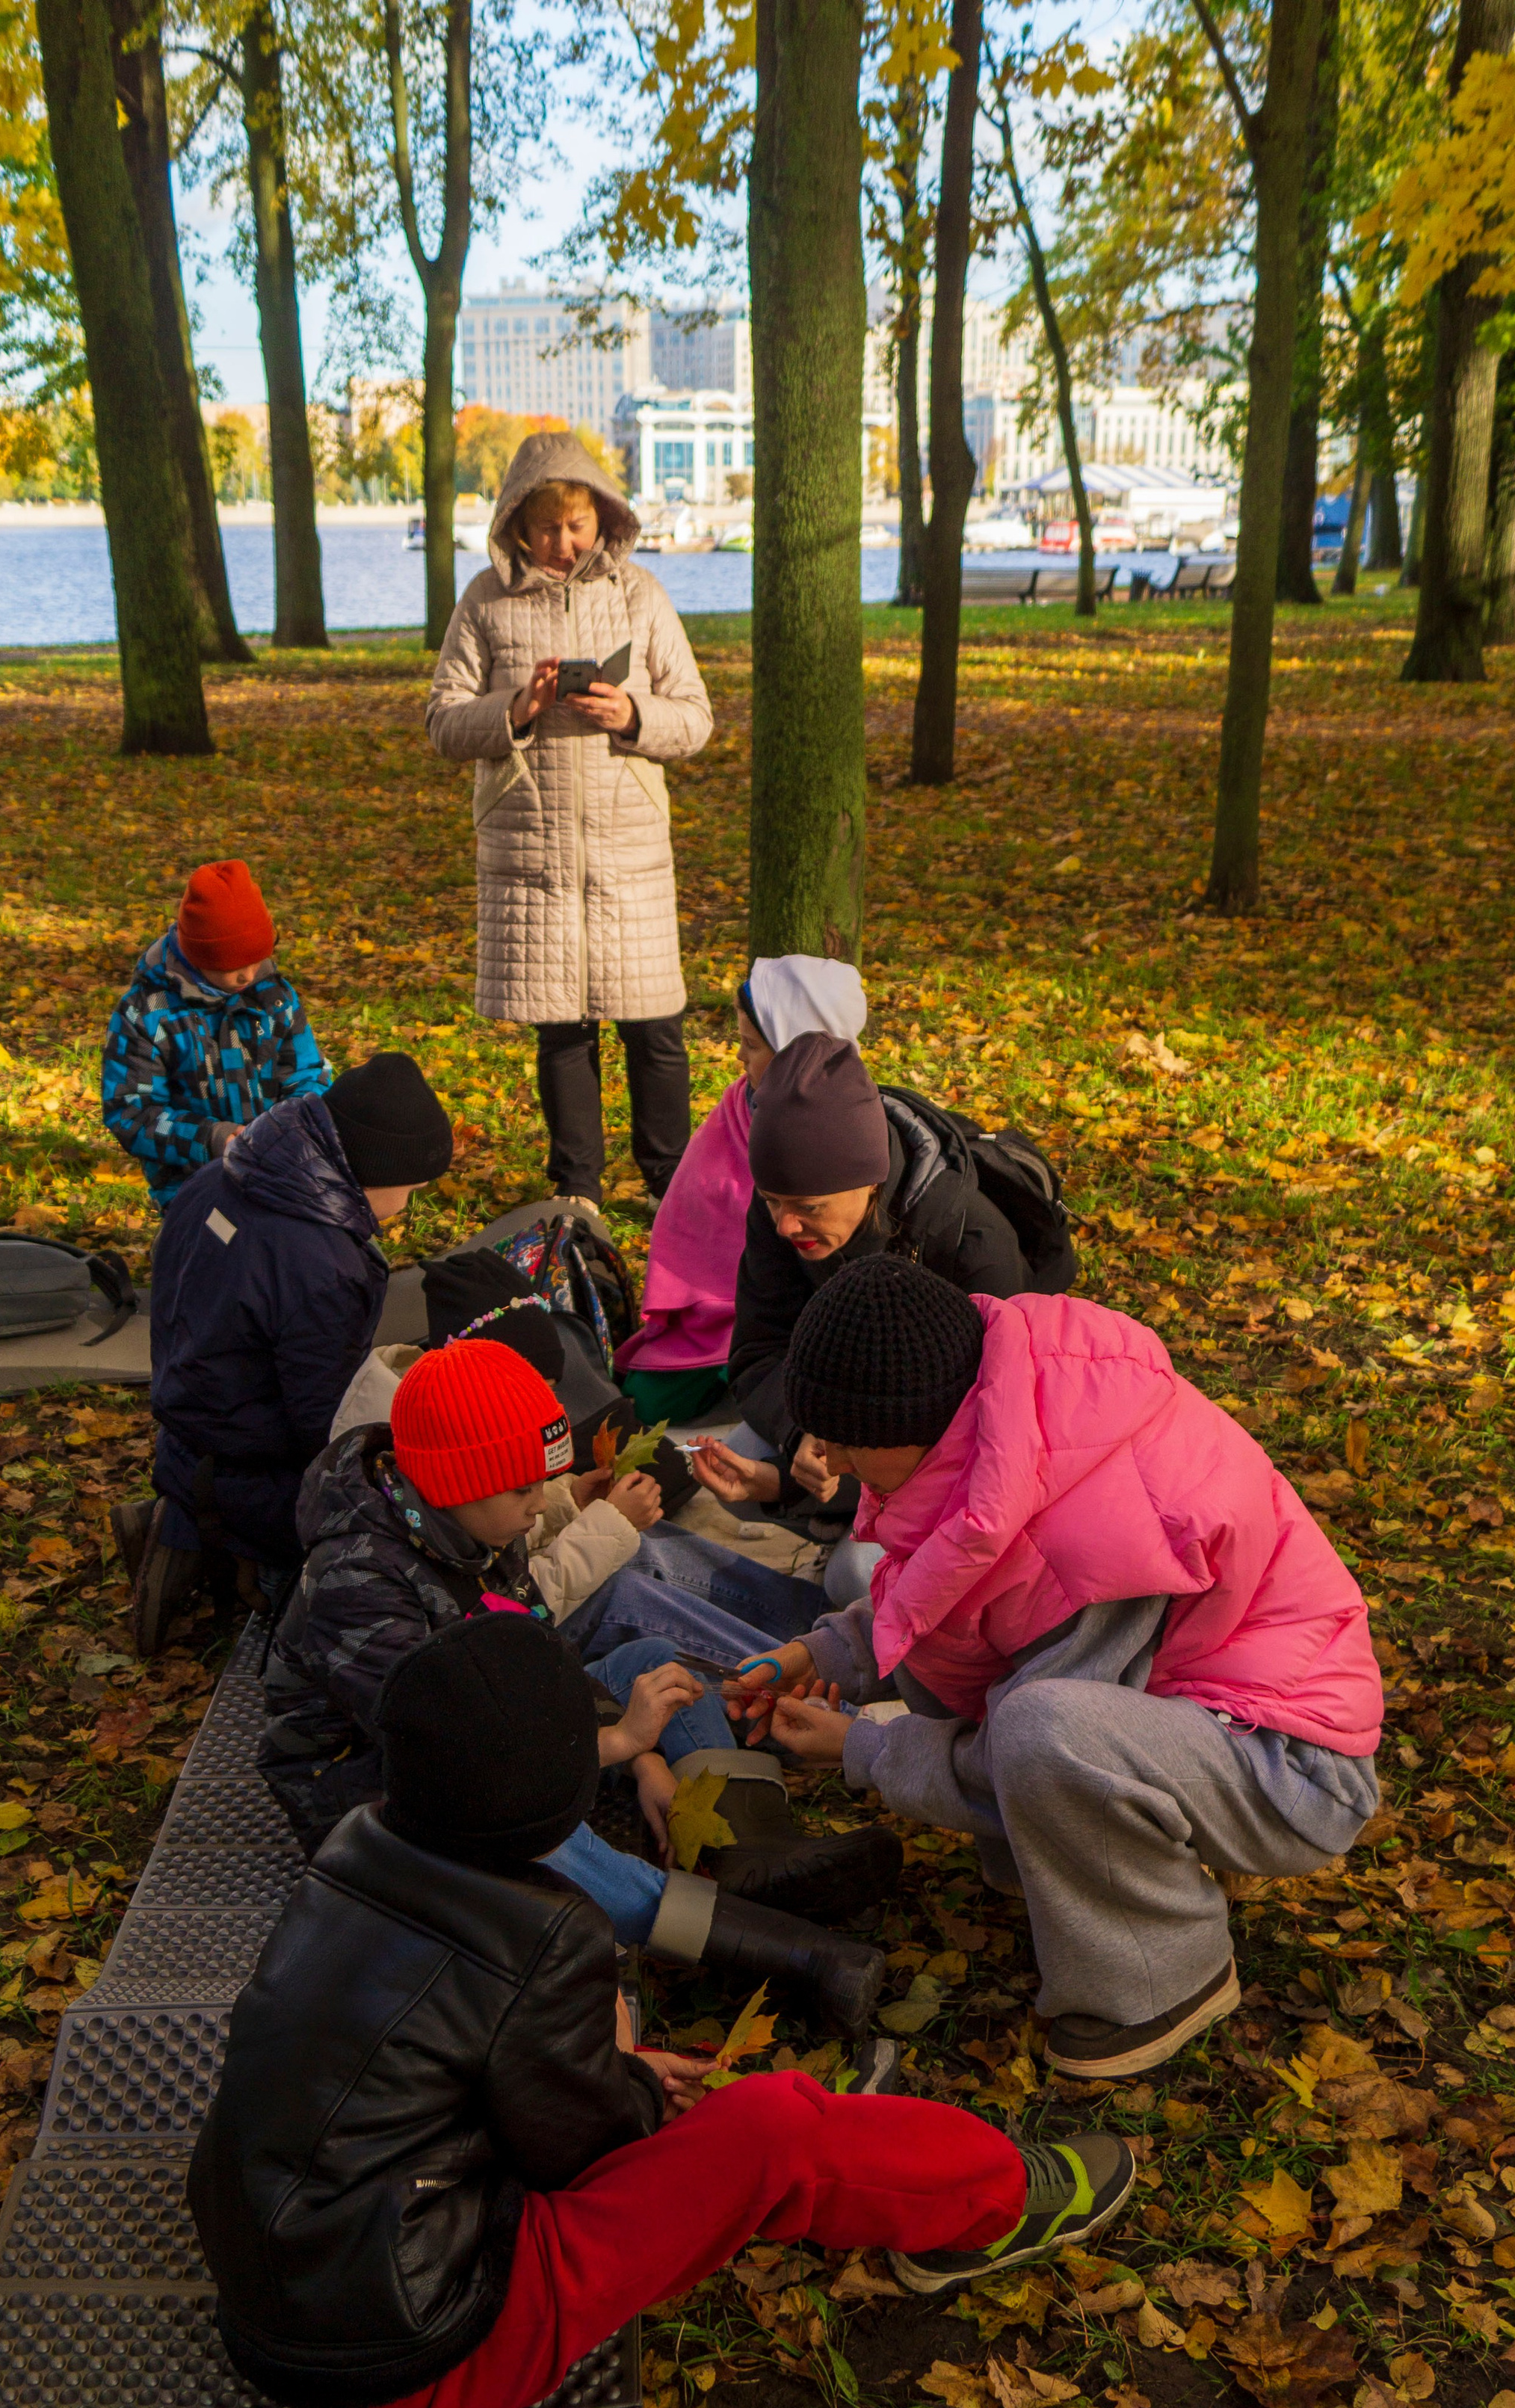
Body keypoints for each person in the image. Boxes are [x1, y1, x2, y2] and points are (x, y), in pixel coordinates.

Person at [188, 1614, 1138, 2408]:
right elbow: (587, 2152)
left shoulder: (348, 1857)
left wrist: (597, 2056)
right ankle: (1000, 2201)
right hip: (423, 2367)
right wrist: (628, 2075)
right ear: (559, 1801)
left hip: (291, 2303)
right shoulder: (541, 1938)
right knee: (772, 2131)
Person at [740, 1259, 1386, 2080]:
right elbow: (953, 1592)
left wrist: (865, 1750)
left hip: (1287, 1763)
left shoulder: (1099, 1526)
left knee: (1043, 1732)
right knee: (1035, 1721)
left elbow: (1043, 1738)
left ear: (914, 1424)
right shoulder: (1013, 1431)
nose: (823, 1453)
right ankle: (1073, 1878)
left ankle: (1164, 1975)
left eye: (842, 1436)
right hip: (1188, 1724)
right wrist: (820, 1653)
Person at [262, 1336, 898, 2030]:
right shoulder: (356, 1581)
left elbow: (530, 1648)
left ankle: (750, 1852)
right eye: (524, 1488)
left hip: (476, 1732)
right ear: (457, 1483)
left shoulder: (465, 1523)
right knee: (532, 1827)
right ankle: (786, 1955)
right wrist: (621, 1742)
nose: (542, 1504)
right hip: (369, 1787)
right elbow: (466, 1753)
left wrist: (645, 1751)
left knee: (647, 1658)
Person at [426, 431, 713, 1211]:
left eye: (577, 525)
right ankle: (576, 1187)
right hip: (533, 849)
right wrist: (517, 708)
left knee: (653, 1027)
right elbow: (443, 721)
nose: (563, 543)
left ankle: (669, 1180)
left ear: (602, 519)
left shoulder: (640, 595)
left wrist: (629, 713)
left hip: (629, 850)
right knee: (561, 1028)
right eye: (546, 528)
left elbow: (695, 718)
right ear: (517, 525)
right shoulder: (484, 601)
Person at [692, 1033, 1075, 1601]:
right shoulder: (785, 1205)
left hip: (958, 1462)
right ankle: (843, 1521)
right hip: (860, 1433)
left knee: (855, 1577)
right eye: (772, 1201)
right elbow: (757, 1352)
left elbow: (986, 1447)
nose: (784, 1226)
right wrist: (804, 1435)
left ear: (869, 1179)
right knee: (739, 1465)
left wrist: (823, 1477)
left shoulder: (972, 1242)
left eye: (808, 1209)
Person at [333, 1251, 832, 1652]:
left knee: (638, 1545)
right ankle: (809, 1677)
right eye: (537, 1392)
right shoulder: (412, 1501)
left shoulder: (446, 1458)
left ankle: (827, 1634)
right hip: (507, 1651)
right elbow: (500, 1605)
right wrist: (607, 1526)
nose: (554, 1404)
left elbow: (497, 1528)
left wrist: (569, 1498)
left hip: (515, 1618)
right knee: (621, 1586)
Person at [123, 1053, 455, 1653]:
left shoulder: (220, 1179)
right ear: (377, 1169)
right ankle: (272, 1588)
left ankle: (184, 1528)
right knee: (403, 1517)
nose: (412, 1200)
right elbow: (324, 1429)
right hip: (251, 1475)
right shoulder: (323, 1263)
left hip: (186, 1433)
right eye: (413, 1185)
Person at [617, 954, 868, 1427]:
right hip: (713, 1311)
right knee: (646, 1405)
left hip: (798, 1309)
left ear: (796, 1048)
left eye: (750, 1045)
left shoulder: (849, 1126)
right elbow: (698, 1214)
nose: (738, 1058)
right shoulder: (739, 1107)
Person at [102, 858, 330, 1212]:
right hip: (191, 1182)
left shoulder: (273, 995)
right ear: (198, 958)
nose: (249, 976)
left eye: (259, 959)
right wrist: (212, 1138)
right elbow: (131, 1113)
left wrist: (292, 1126)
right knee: (213, 1255)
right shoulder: (147, 1012)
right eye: (234, 967)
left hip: (282, 1170)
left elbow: (309, 1074)